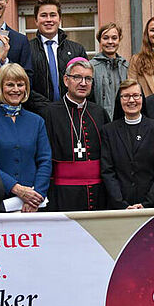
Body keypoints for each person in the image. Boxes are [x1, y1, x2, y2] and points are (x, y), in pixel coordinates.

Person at [0, 63, 51, 212]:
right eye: (10, 85)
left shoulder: (37, 121)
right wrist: (17, 189)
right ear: (0, 87)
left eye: (20, 84)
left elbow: (45, 160)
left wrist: (36, 197)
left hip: (34, 204)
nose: (16, 90)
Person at [42, 58, 110, 211]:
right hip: (62, 193)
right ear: (66, 80)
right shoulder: (50, 113)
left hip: (98, 191)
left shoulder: (99, 112)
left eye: (88, 79)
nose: (83, 83)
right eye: (77, 77)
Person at [101, 79, 154, 209]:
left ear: (142, 98)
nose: (131, 100)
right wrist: (121, 204)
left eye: (135, 96)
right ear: (119, 100)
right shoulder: (108, 131)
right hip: (119, 207)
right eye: (126, 96)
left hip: (152, 207)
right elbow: (107, 172)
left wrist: (147, 204)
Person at [29, 0, 87, 111]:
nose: (49, 20)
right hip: (39, 114)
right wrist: (50, 108)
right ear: (36, 20)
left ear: (60, 19)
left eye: (53, 15)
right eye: (43, 15)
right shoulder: (27, 50)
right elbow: (25, 86)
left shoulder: (77, 50)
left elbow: (86, 82)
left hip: (71, 113)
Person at [90, 23, 129, 119]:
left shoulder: (126, 66)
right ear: (99, 40)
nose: (110, 42)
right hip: (99, 120)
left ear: (119, 40)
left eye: (114, 38)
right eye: (105, 38)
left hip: (123, 121)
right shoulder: (91, 67)